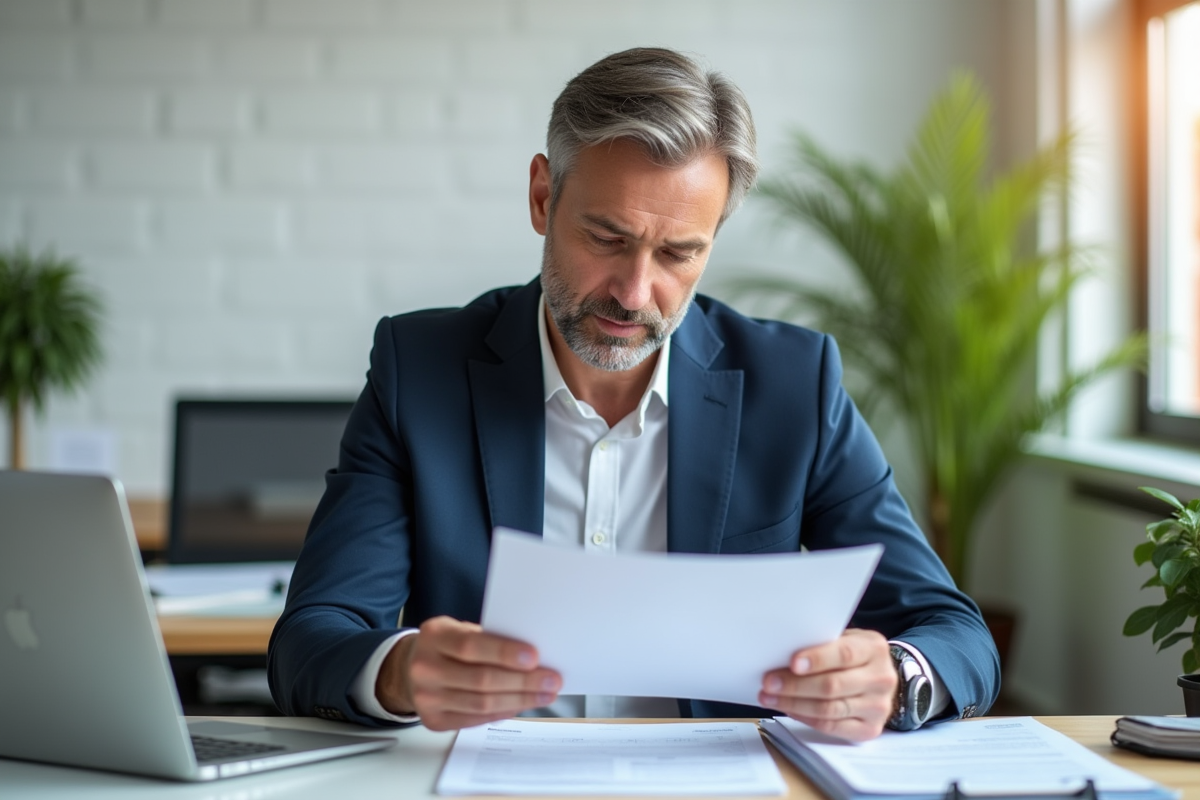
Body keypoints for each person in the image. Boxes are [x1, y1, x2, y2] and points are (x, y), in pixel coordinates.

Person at [268, 47, 1000, 742]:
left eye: (679, 253)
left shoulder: (794, 385)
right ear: (541, 196)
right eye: (607, 239)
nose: (634, 291)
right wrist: (399, 673)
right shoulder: (419, 371)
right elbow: (312, 638)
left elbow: (955, 631)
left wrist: (898, 677)